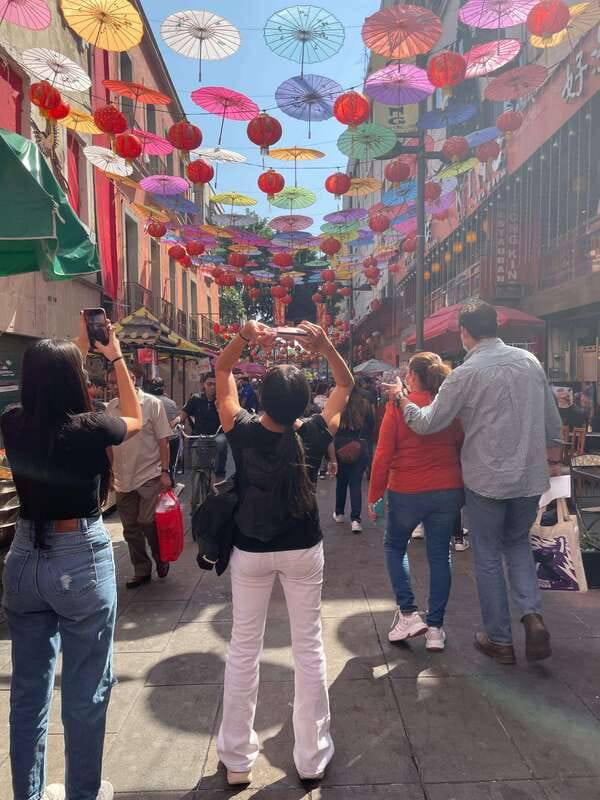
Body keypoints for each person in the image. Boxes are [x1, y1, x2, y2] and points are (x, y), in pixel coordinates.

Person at [1, 313, 142, 800]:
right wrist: (114, 354)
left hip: (24, 556)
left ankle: (29, 794)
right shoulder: (90, 427)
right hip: (78, 557)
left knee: (27, 693)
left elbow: (50, 385)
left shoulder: (13, 422)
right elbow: (135, 415)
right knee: (86, 690)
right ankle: (83, 792)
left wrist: (73, 349)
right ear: (73, 379)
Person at [214, 319, 354, 787]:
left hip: (250, 548)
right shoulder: (314, 432)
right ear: (304, 401)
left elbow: (222, 371)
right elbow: (345, 384)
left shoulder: (240, 428)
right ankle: (312, 757)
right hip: (302, 548)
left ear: (261, 397)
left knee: (243, 647)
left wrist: (243, 337)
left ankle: (237, 759)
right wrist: (325, 345)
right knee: (309, 646)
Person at [396, 301, 563, 664]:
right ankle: (532, 614)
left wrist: (402, 399)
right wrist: (553, 459)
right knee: (517, 545)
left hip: (485, 477)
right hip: (529, 475)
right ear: (496, 326)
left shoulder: (465, 373)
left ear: (464, 332)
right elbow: (552, 422)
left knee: (487, 556)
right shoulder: (529, 362)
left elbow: (426, 422)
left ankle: (500, 639)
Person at [368, 353, 464, 651]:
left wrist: (375, 495)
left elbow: (383, 455)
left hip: (406, 489)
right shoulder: (449, 407)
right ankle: (435, 628)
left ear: (411, 376)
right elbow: (461, 443)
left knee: (395, 546)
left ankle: (408, 613)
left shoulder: (398, 407)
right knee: (440, 555)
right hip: (447, 488)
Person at [106, 364, 173, 589]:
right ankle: (141, 569)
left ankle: (161, 557)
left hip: (149, 474)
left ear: (132, 379)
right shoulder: (111, 408)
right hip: (122, 478)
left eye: (117, 382)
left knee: (147, 521)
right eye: (111, 383)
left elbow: (163, 440)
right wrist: (109, 471)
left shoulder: (152, 404)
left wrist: (165, 472)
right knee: (130, 528)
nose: (113, 387)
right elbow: (108, 444)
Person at [173, 372, 228, 480]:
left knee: (222, 442)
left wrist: (219, 408)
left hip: (216, 435)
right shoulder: (195, 398)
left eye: (215, 384)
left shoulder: (222, 399)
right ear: (203, 384)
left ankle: (220, 475)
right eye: (209, 384)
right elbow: (183, 415)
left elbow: (227, 420)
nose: (212, 387)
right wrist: (175, 422)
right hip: (199, 435)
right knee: (195, 458)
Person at [333, 388, 373, 533]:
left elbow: (331, 426)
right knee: (355, 483)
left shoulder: (338, 405)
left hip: (340, 445)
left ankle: (339, 513)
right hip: (359, 445)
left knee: (341, 482)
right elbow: (371, 426)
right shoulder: (364, 404)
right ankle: (355, 520)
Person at [146, 377, 180, 478]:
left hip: (153, 440)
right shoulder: (171, 403)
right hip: (170, 438)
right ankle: (170, 479)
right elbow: (174, 420)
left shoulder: (146, 403)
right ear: (163, 388)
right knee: (171, 465)